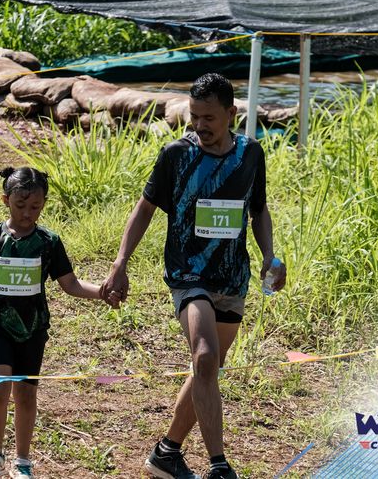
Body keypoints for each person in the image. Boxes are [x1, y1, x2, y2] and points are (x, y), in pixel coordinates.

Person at [101, 73, 286, 479]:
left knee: (208, 369)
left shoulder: (250, 154)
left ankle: (167, 453)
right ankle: (219, 465)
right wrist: (120, 262)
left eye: (209, 118)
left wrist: (270, 255)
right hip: (188, 274)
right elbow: (144, 208)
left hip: (232, 277)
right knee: (204, 356)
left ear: (231, 113)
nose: (199, 126)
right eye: (194, 116)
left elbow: (258, 209)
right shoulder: (176, 155)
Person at [0, 167, 118, 478]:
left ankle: (22, 461)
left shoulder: (49, 242)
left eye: (35, 207)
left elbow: (70, 284)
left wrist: (102, 293)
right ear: (6, 200)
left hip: (32, 330)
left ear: (44, 203)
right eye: (20, 205)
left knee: (26, 394)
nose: (27, 213)